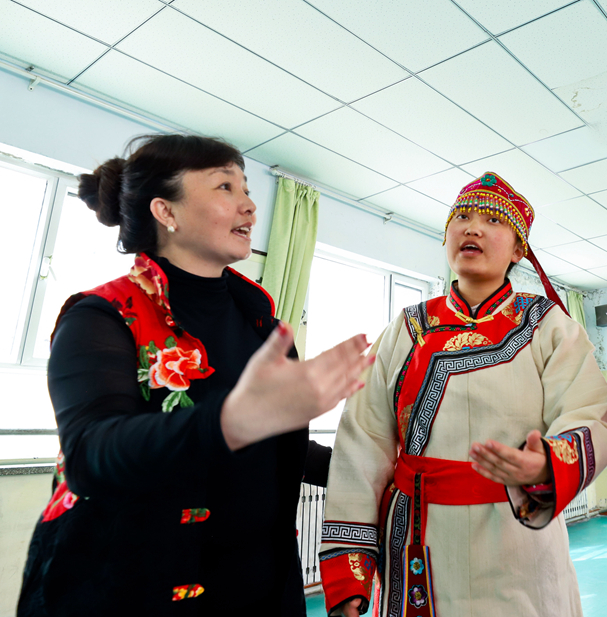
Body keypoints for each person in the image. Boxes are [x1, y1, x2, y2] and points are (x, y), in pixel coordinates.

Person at [18, 134, 373, 616]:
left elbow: (270, 443)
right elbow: (91, 455)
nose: (249, 206)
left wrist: (376, 473)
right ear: (166, 211)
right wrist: (230, 421)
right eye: (225, 186)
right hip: (130, 593)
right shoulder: (102, 316)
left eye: (246, 189)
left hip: (263, 593)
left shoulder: (264, 328)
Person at [319, 172, 607, 617]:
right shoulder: (406, 328)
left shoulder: (548, 325)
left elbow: (591, 414)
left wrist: (545, 464)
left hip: (517, 538)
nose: (472, 228)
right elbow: (361, 442)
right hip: (419, 540)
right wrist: (351, 572)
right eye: (461, 218)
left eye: (493, 220)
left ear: (518, 249)